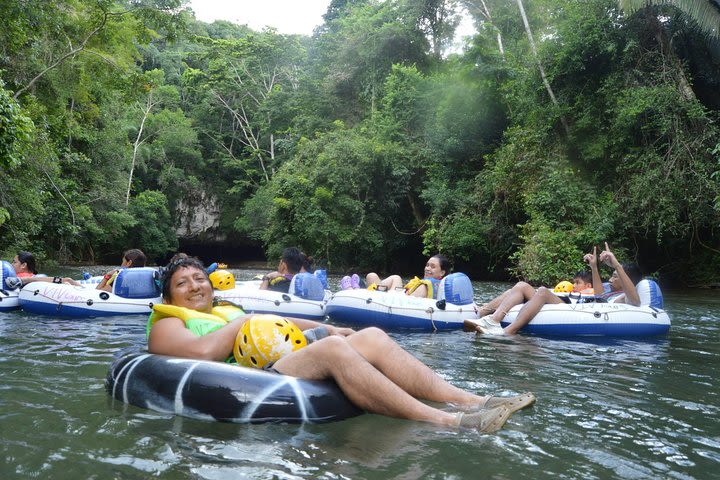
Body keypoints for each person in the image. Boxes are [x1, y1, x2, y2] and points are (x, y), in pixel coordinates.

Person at [148, 257, 536, 432]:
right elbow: (200, 354)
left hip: (278, 358)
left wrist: (331, 328)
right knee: (334, 353)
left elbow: (273, 323)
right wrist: (243, 326)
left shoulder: (227, 307)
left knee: (368, 335)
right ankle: (451, 422)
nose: (195, 286)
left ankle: (472, 400)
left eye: (199, 278)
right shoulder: (167, 321)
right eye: (182, 283)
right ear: (169, 296)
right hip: (248, 377)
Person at [464, 270, 595, 335]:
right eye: (574, 282)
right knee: (519, 287)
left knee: (542, 291)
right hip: (557, 300)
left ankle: (507, 331)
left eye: (578, 283)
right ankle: (483, 315)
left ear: (588, 285)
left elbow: (599, 291)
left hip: (567, 306)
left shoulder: (592, 291)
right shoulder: (571, 291)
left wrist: (593, 266)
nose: (574, 285)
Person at [364, 254, 450, 298]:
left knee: (372, 277)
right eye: (427, 265)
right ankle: (371, 291)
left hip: (395, 300)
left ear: (442, 273)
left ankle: (355, 290)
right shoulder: (427, 283)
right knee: (374, 276)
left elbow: (406, 301)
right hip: (398, 294)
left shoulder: (426, 286)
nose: (427, 268)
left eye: (432, 266)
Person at [9, 251, 80, 287]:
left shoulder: (20, 278)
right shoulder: (31, 276)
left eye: (14, 262)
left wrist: (67, 280)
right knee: (67, 281)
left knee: (67, 281)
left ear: (23, 265)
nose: (11, 264)